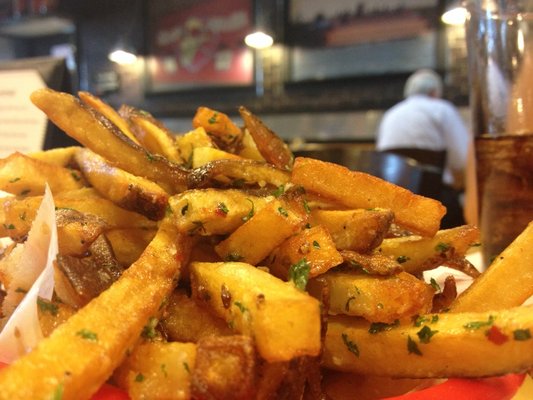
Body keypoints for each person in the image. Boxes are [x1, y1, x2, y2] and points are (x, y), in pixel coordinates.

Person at [375, 69, 470, 228]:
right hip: (435, 204)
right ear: (434, 92)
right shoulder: (442, 109)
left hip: (392, 205)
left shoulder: (390, 114)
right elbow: (463, 158)